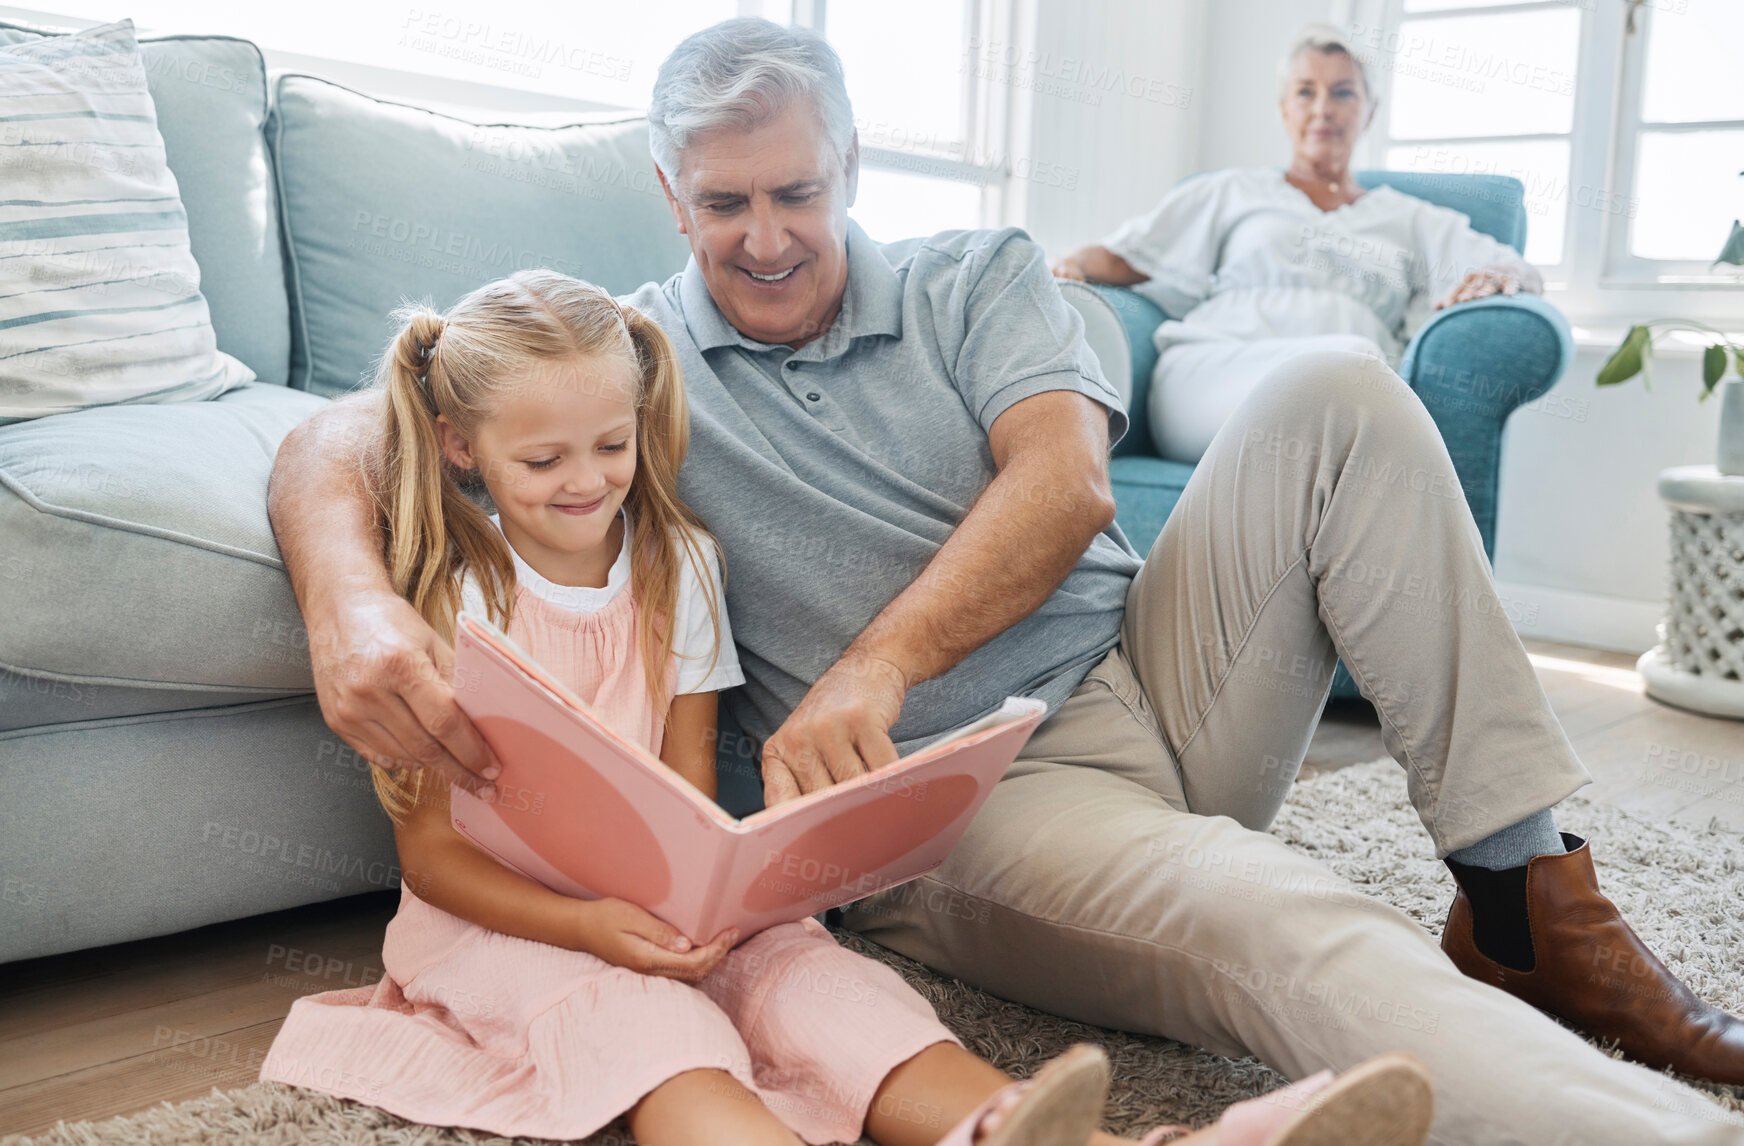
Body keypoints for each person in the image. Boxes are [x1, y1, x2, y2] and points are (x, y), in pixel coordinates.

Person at [264, 18, 1744, 1146]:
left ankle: (1517, 891)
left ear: (851, 170)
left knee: (1342, 390)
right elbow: (357, 418)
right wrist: (350, 594)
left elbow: (1067, 484)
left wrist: (877, 656)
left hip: (1152, 679)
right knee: (1283, 910)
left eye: (797, 191)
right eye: (723, 204)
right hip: (972, 799)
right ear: (669, 193)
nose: (765, 237)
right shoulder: (632, 370)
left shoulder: (978, 274)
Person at [255, 270, 1426, 1146]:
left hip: (665, 908)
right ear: (461, 449)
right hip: (505, 925)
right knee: (658, 1035)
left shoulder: (679, 567)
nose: (585, 481)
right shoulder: (456, 600)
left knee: (831, 991)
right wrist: (589, 928)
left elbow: (682, 799)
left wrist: (744, 891)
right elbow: (431, 858)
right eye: (542, 460)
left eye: (611, 444)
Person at [1051, 26, 1539, 465]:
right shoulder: (1230, 190)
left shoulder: (1410, 217)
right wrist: (1073, 263)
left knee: (1355, 377)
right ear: (1285, 109)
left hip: (1352, 392)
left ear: (1370, 111)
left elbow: (1510, 268)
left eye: (1343, 92)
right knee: (1355, 370)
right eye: (1306, 92)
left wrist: (1505, 276)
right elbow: (1121, 256)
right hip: (1215, 373)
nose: (1323, 108)